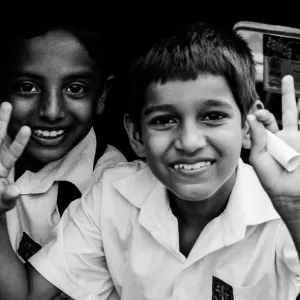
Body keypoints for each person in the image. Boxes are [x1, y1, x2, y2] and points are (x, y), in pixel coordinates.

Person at [0, 22, 300, 299]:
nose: (189, 142)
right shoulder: (113, 196)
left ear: (248, 125)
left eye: (213, 116)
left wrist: (296, 212)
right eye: (165, 120)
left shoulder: (282, 213)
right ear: (136, 135)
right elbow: (25, 295)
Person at [0, 20, 125, 300]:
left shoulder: (113, 185)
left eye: (76, 88)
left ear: (103, 94)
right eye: (28, 87)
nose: (52, 111)